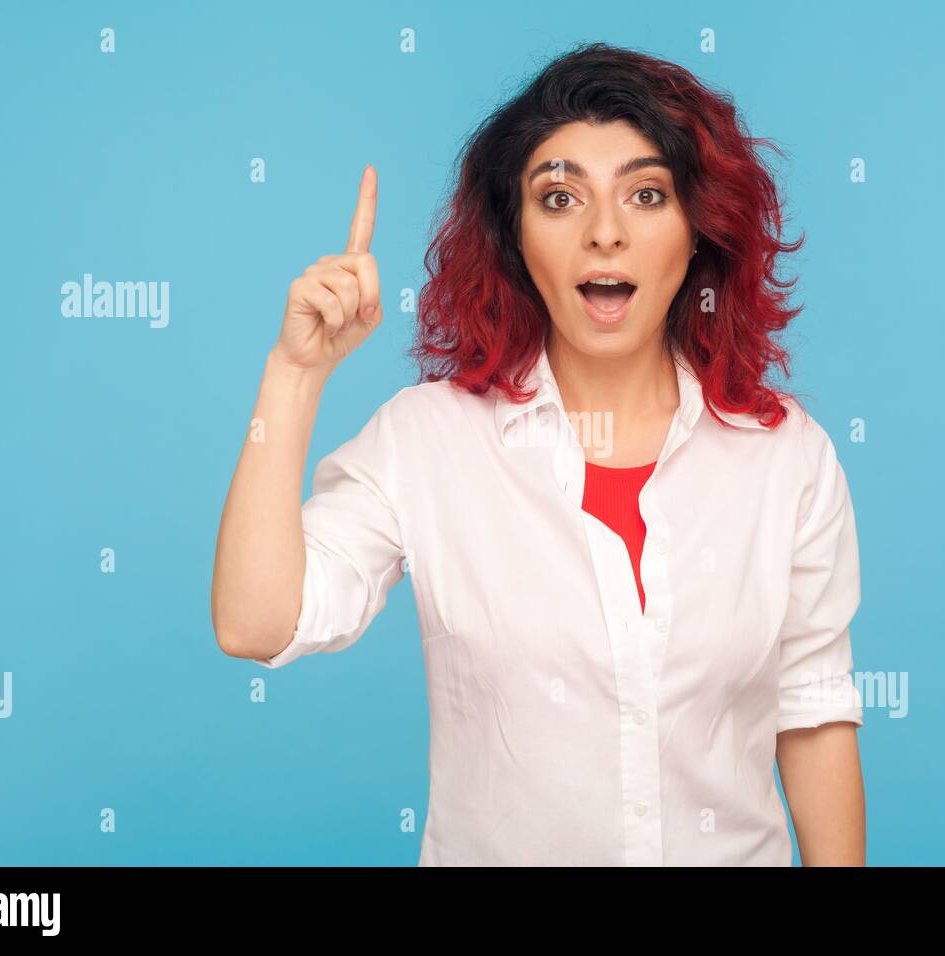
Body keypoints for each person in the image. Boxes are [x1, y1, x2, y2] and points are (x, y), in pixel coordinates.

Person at [211, 42, 866, 866]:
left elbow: (810, 713)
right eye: (559, 197)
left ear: (699, 231)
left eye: (647, 194)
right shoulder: (428, 439)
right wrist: (294, 374)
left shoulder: (786, 456)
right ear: (513, 235)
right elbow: (254, 623)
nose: (604, 234)